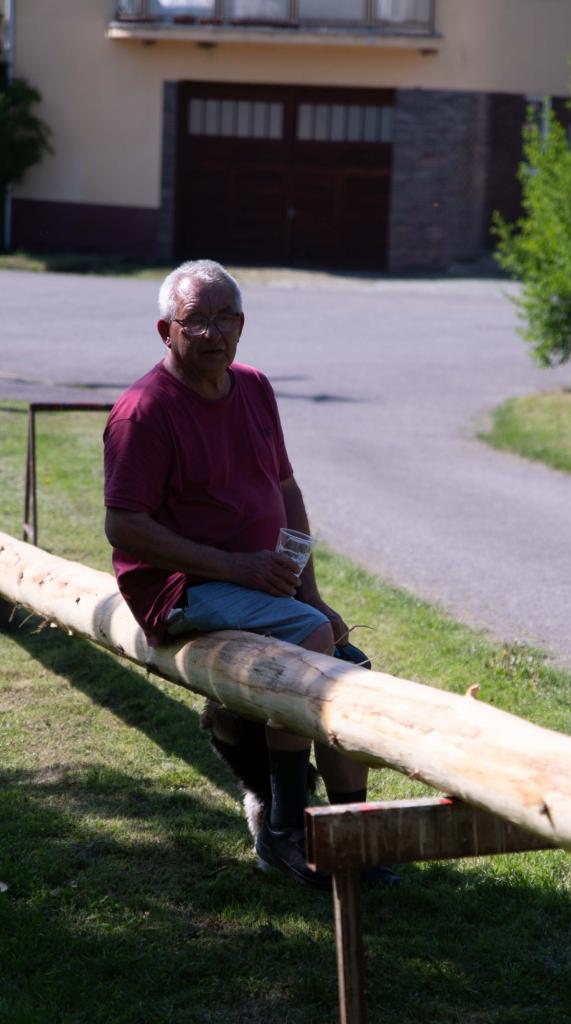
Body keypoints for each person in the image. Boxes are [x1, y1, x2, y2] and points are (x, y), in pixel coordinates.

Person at [103, 259, 380, 890]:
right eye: (195, 320)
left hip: (252, 581)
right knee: (310, 641)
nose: (213, 332)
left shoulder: (253, 386)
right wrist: (240, 568)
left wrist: (310, 592)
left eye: (225, 317)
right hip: (179, 588)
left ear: (242, 325)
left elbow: (285, 490)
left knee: (351, 669)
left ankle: (355, 842)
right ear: (166, 331)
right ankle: (284, 830)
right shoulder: (144, 411)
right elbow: (124, 526)